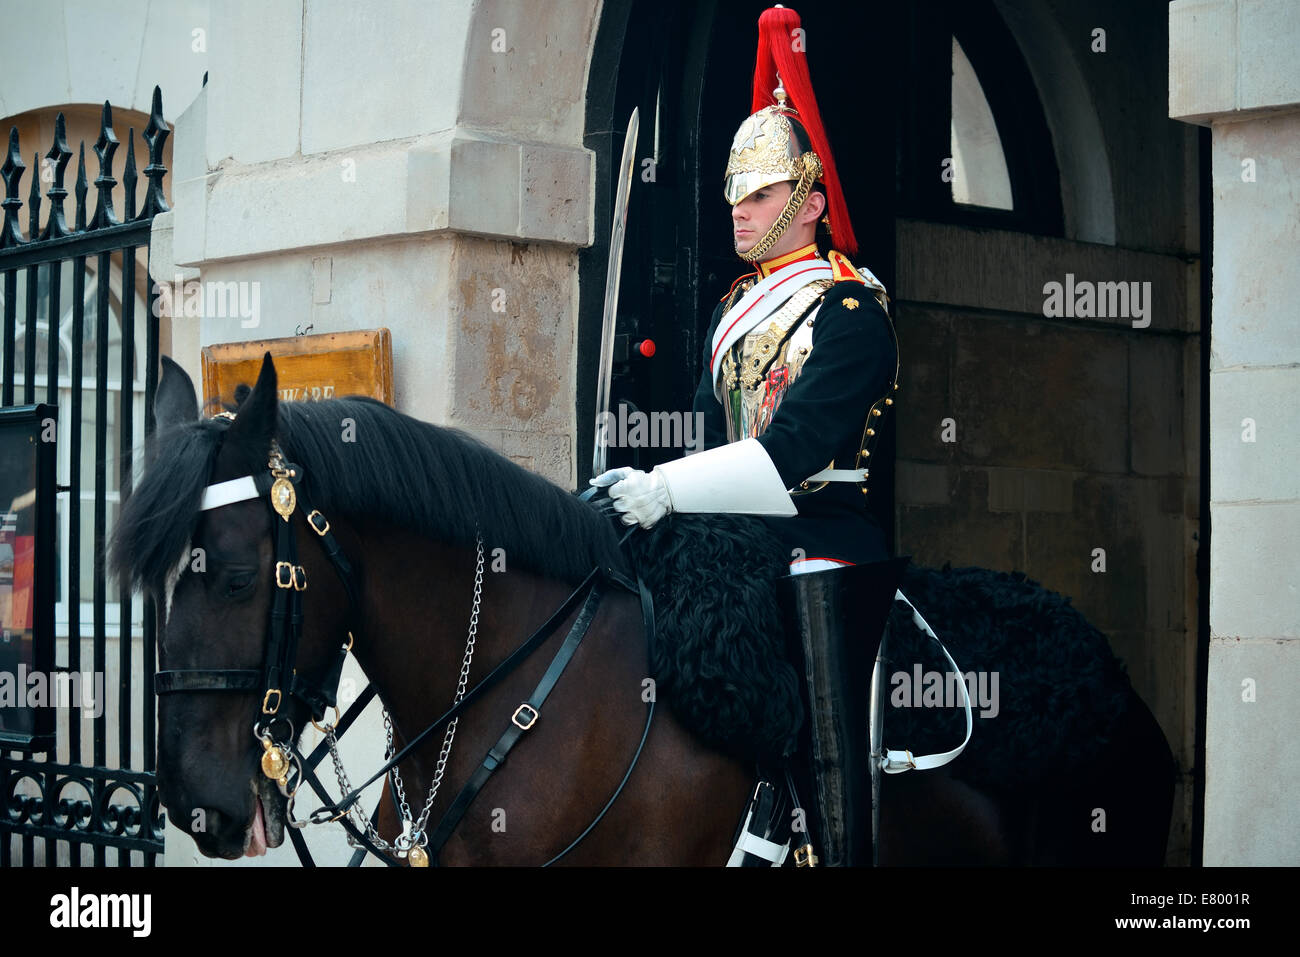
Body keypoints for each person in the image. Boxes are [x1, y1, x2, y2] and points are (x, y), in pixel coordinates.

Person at [591, 5, 900, 866]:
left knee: (801, 610)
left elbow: (792, 451)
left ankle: (822, 826)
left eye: (759, 193)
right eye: (734, 195)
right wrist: (641, 487)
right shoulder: (733, 311)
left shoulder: (851, 311)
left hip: (822, 535)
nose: (737, 210)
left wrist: (666, 491)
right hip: (732, 530)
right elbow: (699, 433)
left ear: (808, 199)